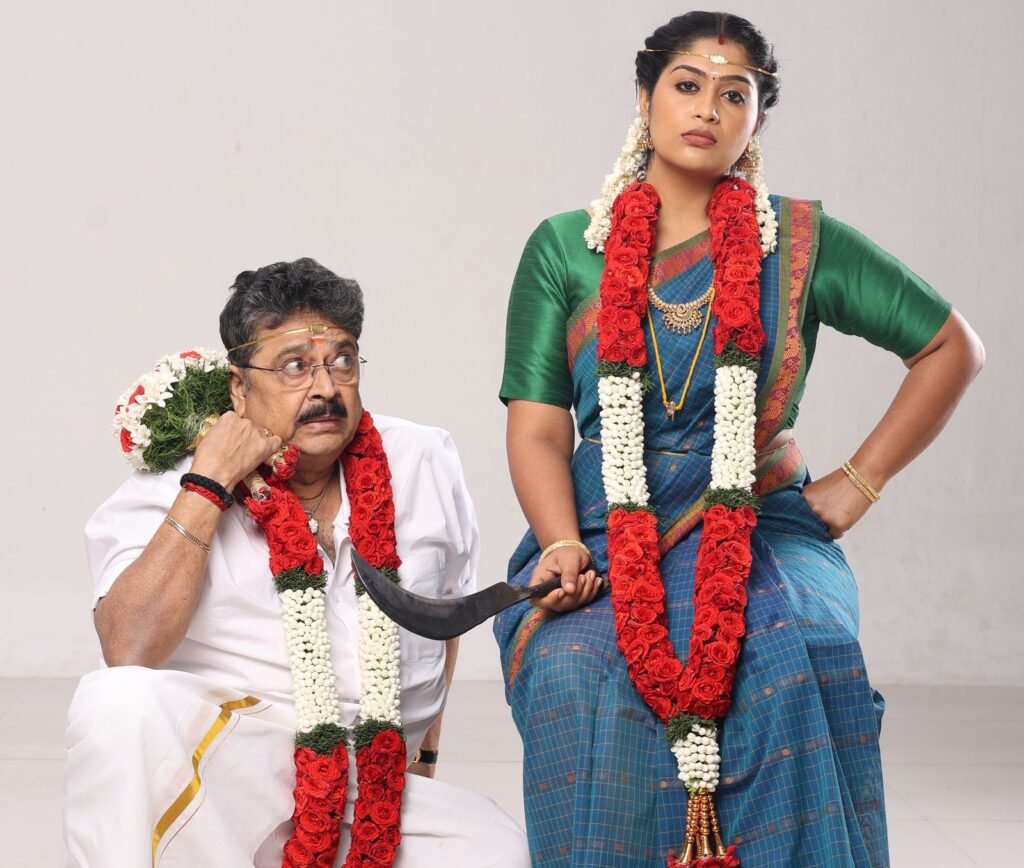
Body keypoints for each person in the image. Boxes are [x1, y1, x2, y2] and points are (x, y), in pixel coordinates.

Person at [494, 11, 984, 868]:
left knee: (803, 651)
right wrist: (561, 540)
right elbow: (537, 428)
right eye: (687, 85)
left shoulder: (796, 244)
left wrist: (860, 481)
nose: (707, 109)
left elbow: (952, 347)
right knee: (573, 666)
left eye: (735, 94)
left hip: (761, 520)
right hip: (601, 525)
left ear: (757, 117)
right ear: (644, 96)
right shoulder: (568, 248)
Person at [64, 258, 530, 866]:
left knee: (500, 851)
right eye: (294, 366)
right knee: (117, 704)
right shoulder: (173, 486)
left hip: (371, 785)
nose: (326, 388)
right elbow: (127, 648)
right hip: (228, 779)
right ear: (238, 388)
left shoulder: (421, 458)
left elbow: (440, 620)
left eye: (342, 360)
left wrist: (424, 759)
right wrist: (209, 485)